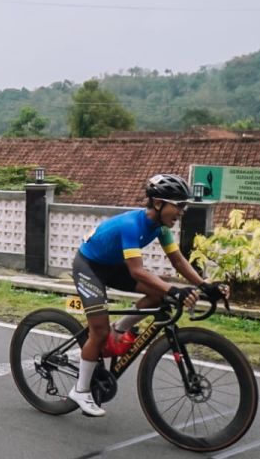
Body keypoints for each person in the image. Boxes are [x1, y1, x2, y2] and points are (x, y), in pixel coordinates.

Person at [70, 174, 227, 417]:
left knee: (159, 296)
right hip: (89, 266)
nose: (182, 211)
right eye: (179, 205)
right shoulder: (131, 225)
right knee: (98, 331)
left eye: (184, 206)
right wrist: (175, 289)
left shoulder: (161, 228)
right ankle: (80, 391)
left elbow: (177, 261)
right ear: (157, 204)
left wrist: (205, 285)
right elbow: (137, 271)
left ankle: (119, 330)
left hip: (113, 266)